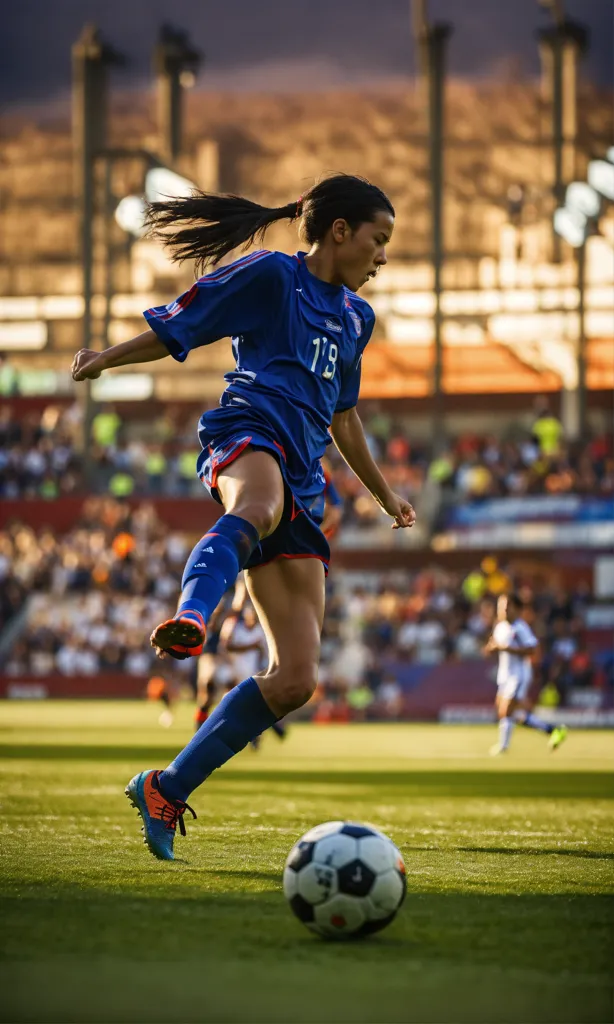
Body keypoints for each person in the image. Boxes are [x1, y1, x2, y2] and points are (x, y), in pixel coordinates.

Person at [72, 173, 415, 860]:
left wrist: (383, 493)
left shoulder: (356, 319)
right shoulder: (269, 277)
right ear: (340, 231)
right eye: (379, 240)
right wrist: (105, 360)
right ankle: (193, 615)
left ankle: (166, 788)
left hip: (307, 484)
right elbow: (183, 324)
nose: (383, 256)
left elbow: (344, 417)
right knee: (256, 507)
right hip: (249, 430)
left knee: (296, 680)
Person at [484, 594, 568, 756]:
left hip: (519, 675)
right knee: (508, 712)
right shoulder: (500, 627)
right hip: (504, 674)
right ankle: (552, 730)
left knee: (507, 710)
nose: (503, 611)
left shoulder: (520, 628)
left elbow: (532, 649)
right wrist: (490, 648)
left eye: (506, 607)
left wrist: (505, 648)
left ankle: (503, 747)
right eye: (500, 607)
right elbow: (493, 644)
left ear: (516, 609)